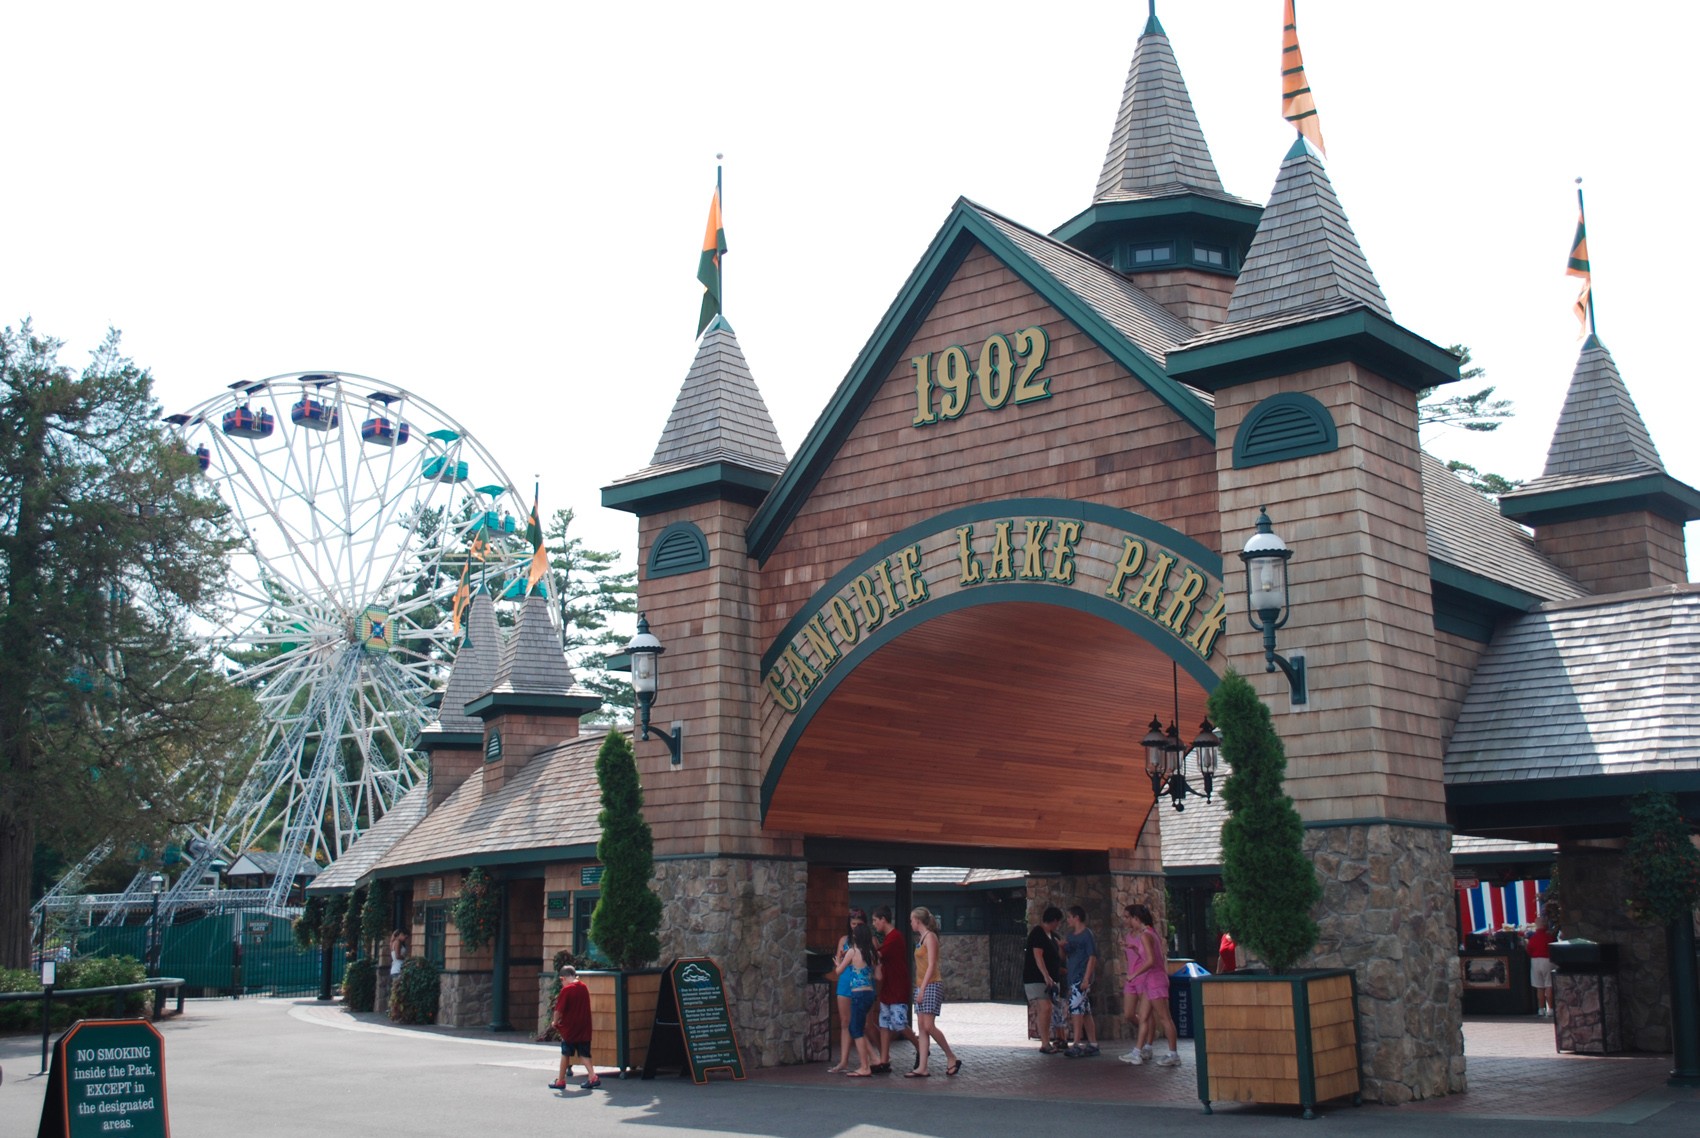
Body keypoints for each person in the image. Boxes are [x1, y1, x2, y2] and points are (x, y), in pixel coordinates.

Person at [906, 906, 961, 1077]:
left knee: (929, 1025)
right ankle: (922, 1067)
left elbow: (931, 965)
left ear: (918, 921)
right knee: (922, 1027)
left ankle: (951, 1056)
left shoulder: (930, 937)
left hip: (931, 985)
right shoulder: (921, 938)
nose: (910, 923)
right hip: (921, 984)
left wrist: (922, 989)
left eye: (911, 920)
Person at [1122, 903, 1179, 1067]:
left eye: (1130, 918)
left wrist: (1134, 974)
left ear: (1137, 919)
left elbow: (1151, 961)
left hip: (1155, 980)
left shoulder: (1145, 935)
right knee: (1144, 1016)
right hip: (1150, 981)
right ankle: (1137, 1052)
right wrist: (1133, 948)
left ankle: (1173, 1053)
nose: (1129, 922)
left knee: (1164, 1017)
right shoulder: (1150, 934)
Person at [870, 906, 918, 1074]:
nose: (874, 924)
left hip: (897, 986)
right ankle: (884, 1060)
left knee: (898, 1023)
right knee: (884, 1023)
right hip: (887, 986)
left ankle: (920, 1047)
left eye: (875, 920)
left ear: (884, 919)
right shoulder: (889, 938)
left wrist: (872, 946)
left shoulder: (895, 937)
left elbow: (878, 956)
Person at [826, 909, 868, 1073]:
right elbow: (838, 961)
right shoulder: (844, 940)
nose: (856, 927)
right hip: (845, 981)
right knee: (845, 1022)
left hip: (861, 984)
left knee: (860, 1023)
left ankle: (868, 1060)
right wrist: (843, 957)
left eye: (859, 924)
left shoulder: (867, 940)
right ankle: (843, 1061)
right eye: (853, 924)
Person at [1023, 906, 1067, 1053]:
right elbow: (1038, 956)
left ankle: (1048, 1041)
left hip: (1052, 978)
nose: (1058, 925)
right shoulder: (1038, 933)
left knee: (1049, 1008)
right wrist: (1046, 975)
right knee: (1045, 1007)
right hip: (1037, 977)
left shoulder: (1052, 936)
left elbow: (1058, 957)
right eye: (1058, 922)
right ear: (1054, 920)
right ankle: (1045, 1043)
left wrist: (1061, 947)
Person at [548, 965, 600, 1090]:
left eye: (561, 980)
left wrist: (554, 1022)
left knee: (565, 1053)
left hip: (570, 1028)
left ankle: (560, 1080)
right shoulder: (583, 987)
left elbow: (558, 1011)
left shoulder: (567, 990)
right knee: (584, 1053)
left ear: (563, 978)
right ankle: (592, 1077)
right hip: (584, 1026)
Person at [842, 921, 880, 1076]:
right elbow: (878, 975)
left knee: (856, 1029)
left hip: (857, 993)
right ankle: (873, 1059)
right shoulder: (872, 953)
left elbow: (839, 970)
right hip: (870, 993)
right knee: (857, 1026)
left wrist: (839, 962)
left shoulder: (852, 951)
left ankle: (865, 1066)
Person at [1061, 905, 1100, 1057]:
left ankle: (1076, 1043)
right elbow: (1065, 956)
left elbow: (1092, 956)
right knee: (1085, 1011)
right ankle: (1093, 1043)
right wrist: (1062, 947)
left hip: (1081, 977)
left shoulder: (1087, 935)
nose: (1068, 920)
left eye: (1070, 917)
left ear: (1076, 917)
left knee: (1076, 1010)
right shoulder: (1071, 937)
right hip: (1073, 975)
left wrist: (1086, 978)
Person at [1526, 911, 1557, 1017]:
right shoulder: (1550, 937)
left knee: (1539, 987)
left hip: (1535, 961)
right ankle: (1551, 1009)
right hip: (1548, 961)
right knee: (1549, 985)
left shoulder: (1532, 938)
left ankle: (1541, 1009)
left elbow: (1529, 950)